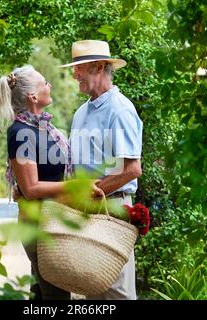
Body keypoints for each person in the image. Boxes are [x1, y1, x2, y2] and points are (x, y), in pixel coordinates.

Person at [0, 65, 102, 300]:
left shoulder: (42, 128)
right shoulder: (20, 132)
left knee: (42, 296)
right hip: (38, 226)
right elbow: (31, 189)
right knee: (58, 297)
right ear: (33, 96)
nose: (49, 85)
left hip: (50, 222)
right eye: (45, 83)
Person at [60, 40, 143, 300]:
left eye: (79, 68)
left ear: (98, 66)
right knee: (92, 290)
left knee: (117, 293)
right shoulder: (81, 113)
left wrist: (91, 193)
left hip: (113, 210)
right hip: (86, 211)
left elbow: (132, 169)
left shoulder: (120, 110)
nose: (74, 75)